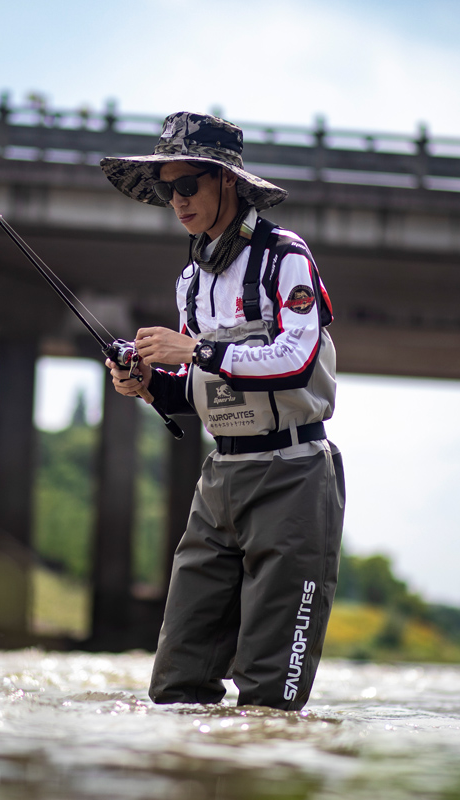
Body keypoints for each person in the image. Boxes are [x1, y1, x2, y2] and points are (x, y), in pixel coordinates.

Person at [100, 111, 345, 710]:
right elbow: (196, 392)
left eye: (188, 185)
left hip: (293, 477)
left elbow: (294, 359)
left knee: (269, 698)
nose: (176, 200)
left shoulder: (284, 258)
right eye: (166, 188)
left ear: (226, 181)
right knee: (176, 688)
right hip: (219, 484)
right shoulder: (189, 279)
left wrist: (199, 349)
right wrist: (148, 385)